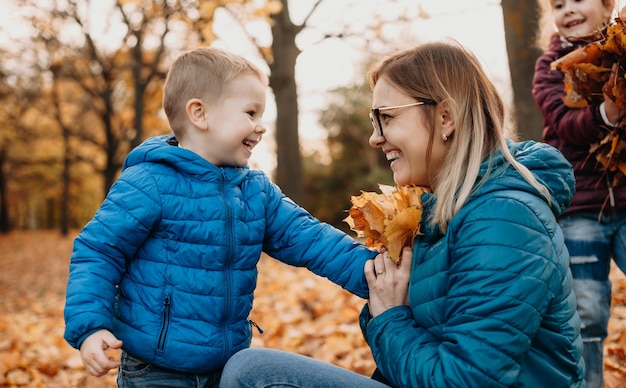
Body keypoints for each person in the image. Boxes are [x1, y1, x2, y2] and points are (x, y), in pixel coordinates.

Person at [219, 40, 586, 387]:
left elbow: (463, 380)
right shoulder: (449, 213)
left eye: (387, 117)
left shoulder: (505, 220)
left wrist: (390, 316)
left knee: (253, 373)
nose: (374, 137)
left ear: (446, 117)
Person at [63, 46, 380, 387]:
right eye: (251, 113)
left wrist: (373, 274)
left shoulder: (256, 191)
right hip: (156, 369)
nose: (260, 127)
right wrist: (90, 326)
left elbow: (311, 238)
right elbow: (98, 251)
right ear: (200, 114)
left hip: (226, 365)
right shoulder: (149, 182)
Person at [532, 0, 626, 386]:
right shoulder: (551, 66)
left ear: (607, 5)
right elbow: (565, 122)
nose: (567, 8)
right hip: (580, 209)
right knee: (585, 309)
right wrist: (608, 112)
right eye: (557, 4)